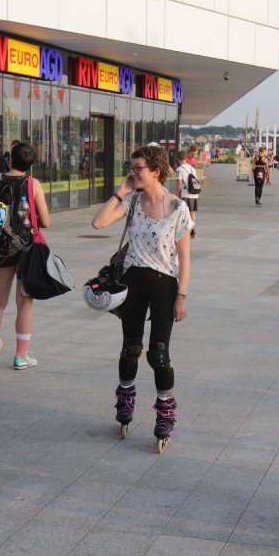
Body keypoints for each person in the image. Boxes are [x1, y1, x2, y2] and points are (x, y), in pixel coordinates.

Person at [91, 145, 193, 452]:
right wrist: (121, 190)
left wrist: (183, 295)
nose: (133, 172)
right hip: (133, 282)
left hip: (165, 286)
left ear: (155, 171)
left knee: (158, 353)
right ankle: (125, 401)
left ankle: (165, 412)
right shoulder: (133, 202)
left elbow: (186, 258)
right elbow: (98, 223)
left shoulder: (178, 207)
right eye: (132, 167)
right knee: (131, 348)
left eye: (138, 168)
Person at [0, 142, 50, 370]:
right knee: (24, 303)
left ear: (10, 159)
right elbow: (46, 220)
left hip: (0, 247)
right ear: (30, 164)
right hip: (25, 248)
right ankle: (21, 357)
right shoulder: (32, 184)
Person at [175, 150, 199, 239]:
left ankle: (186, 230)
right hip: (194, 193)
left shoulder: (179, 169)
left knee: (184, 212)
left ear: (178, 159)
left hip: (185, 193)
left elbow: (179, 183)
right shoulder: (191, 167)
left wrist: (177, 194)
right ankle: (192, 229)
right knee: (192, 212)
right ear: (186, 158)